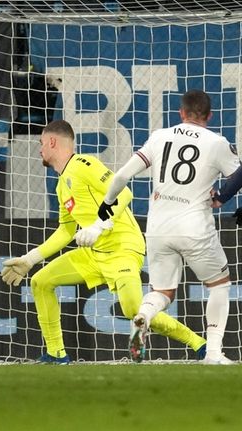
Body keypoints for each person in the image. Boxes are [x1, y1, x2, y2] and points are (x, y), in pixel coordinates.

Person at [1, 119, 207, 364]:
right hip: (94, 253)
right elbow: (66, 231)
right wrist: (30, 259)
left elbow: (125, 192)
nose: (40, 149)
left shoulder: (84, 164)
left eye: (41, 143)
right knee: (40, 281)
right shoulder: (61, 186)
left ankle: (198, 343)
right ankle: (56, 353)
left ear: (52, 141)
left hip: (122, 247)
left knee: (133, 311)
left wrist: (99, 226)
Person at [98, 90, 237, 365]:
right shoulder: (217, 142)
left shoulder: (160, 136)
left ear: (181, 113)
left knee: (162, 292)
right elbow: (239, 173)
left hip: (158, 227)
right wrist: (221, 197)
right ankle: (212, 354)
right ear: (209, 115)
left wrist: (106, 204)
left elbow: (123, 174)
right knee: (220, 285)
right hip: (195, 226)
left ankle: (144, 317)